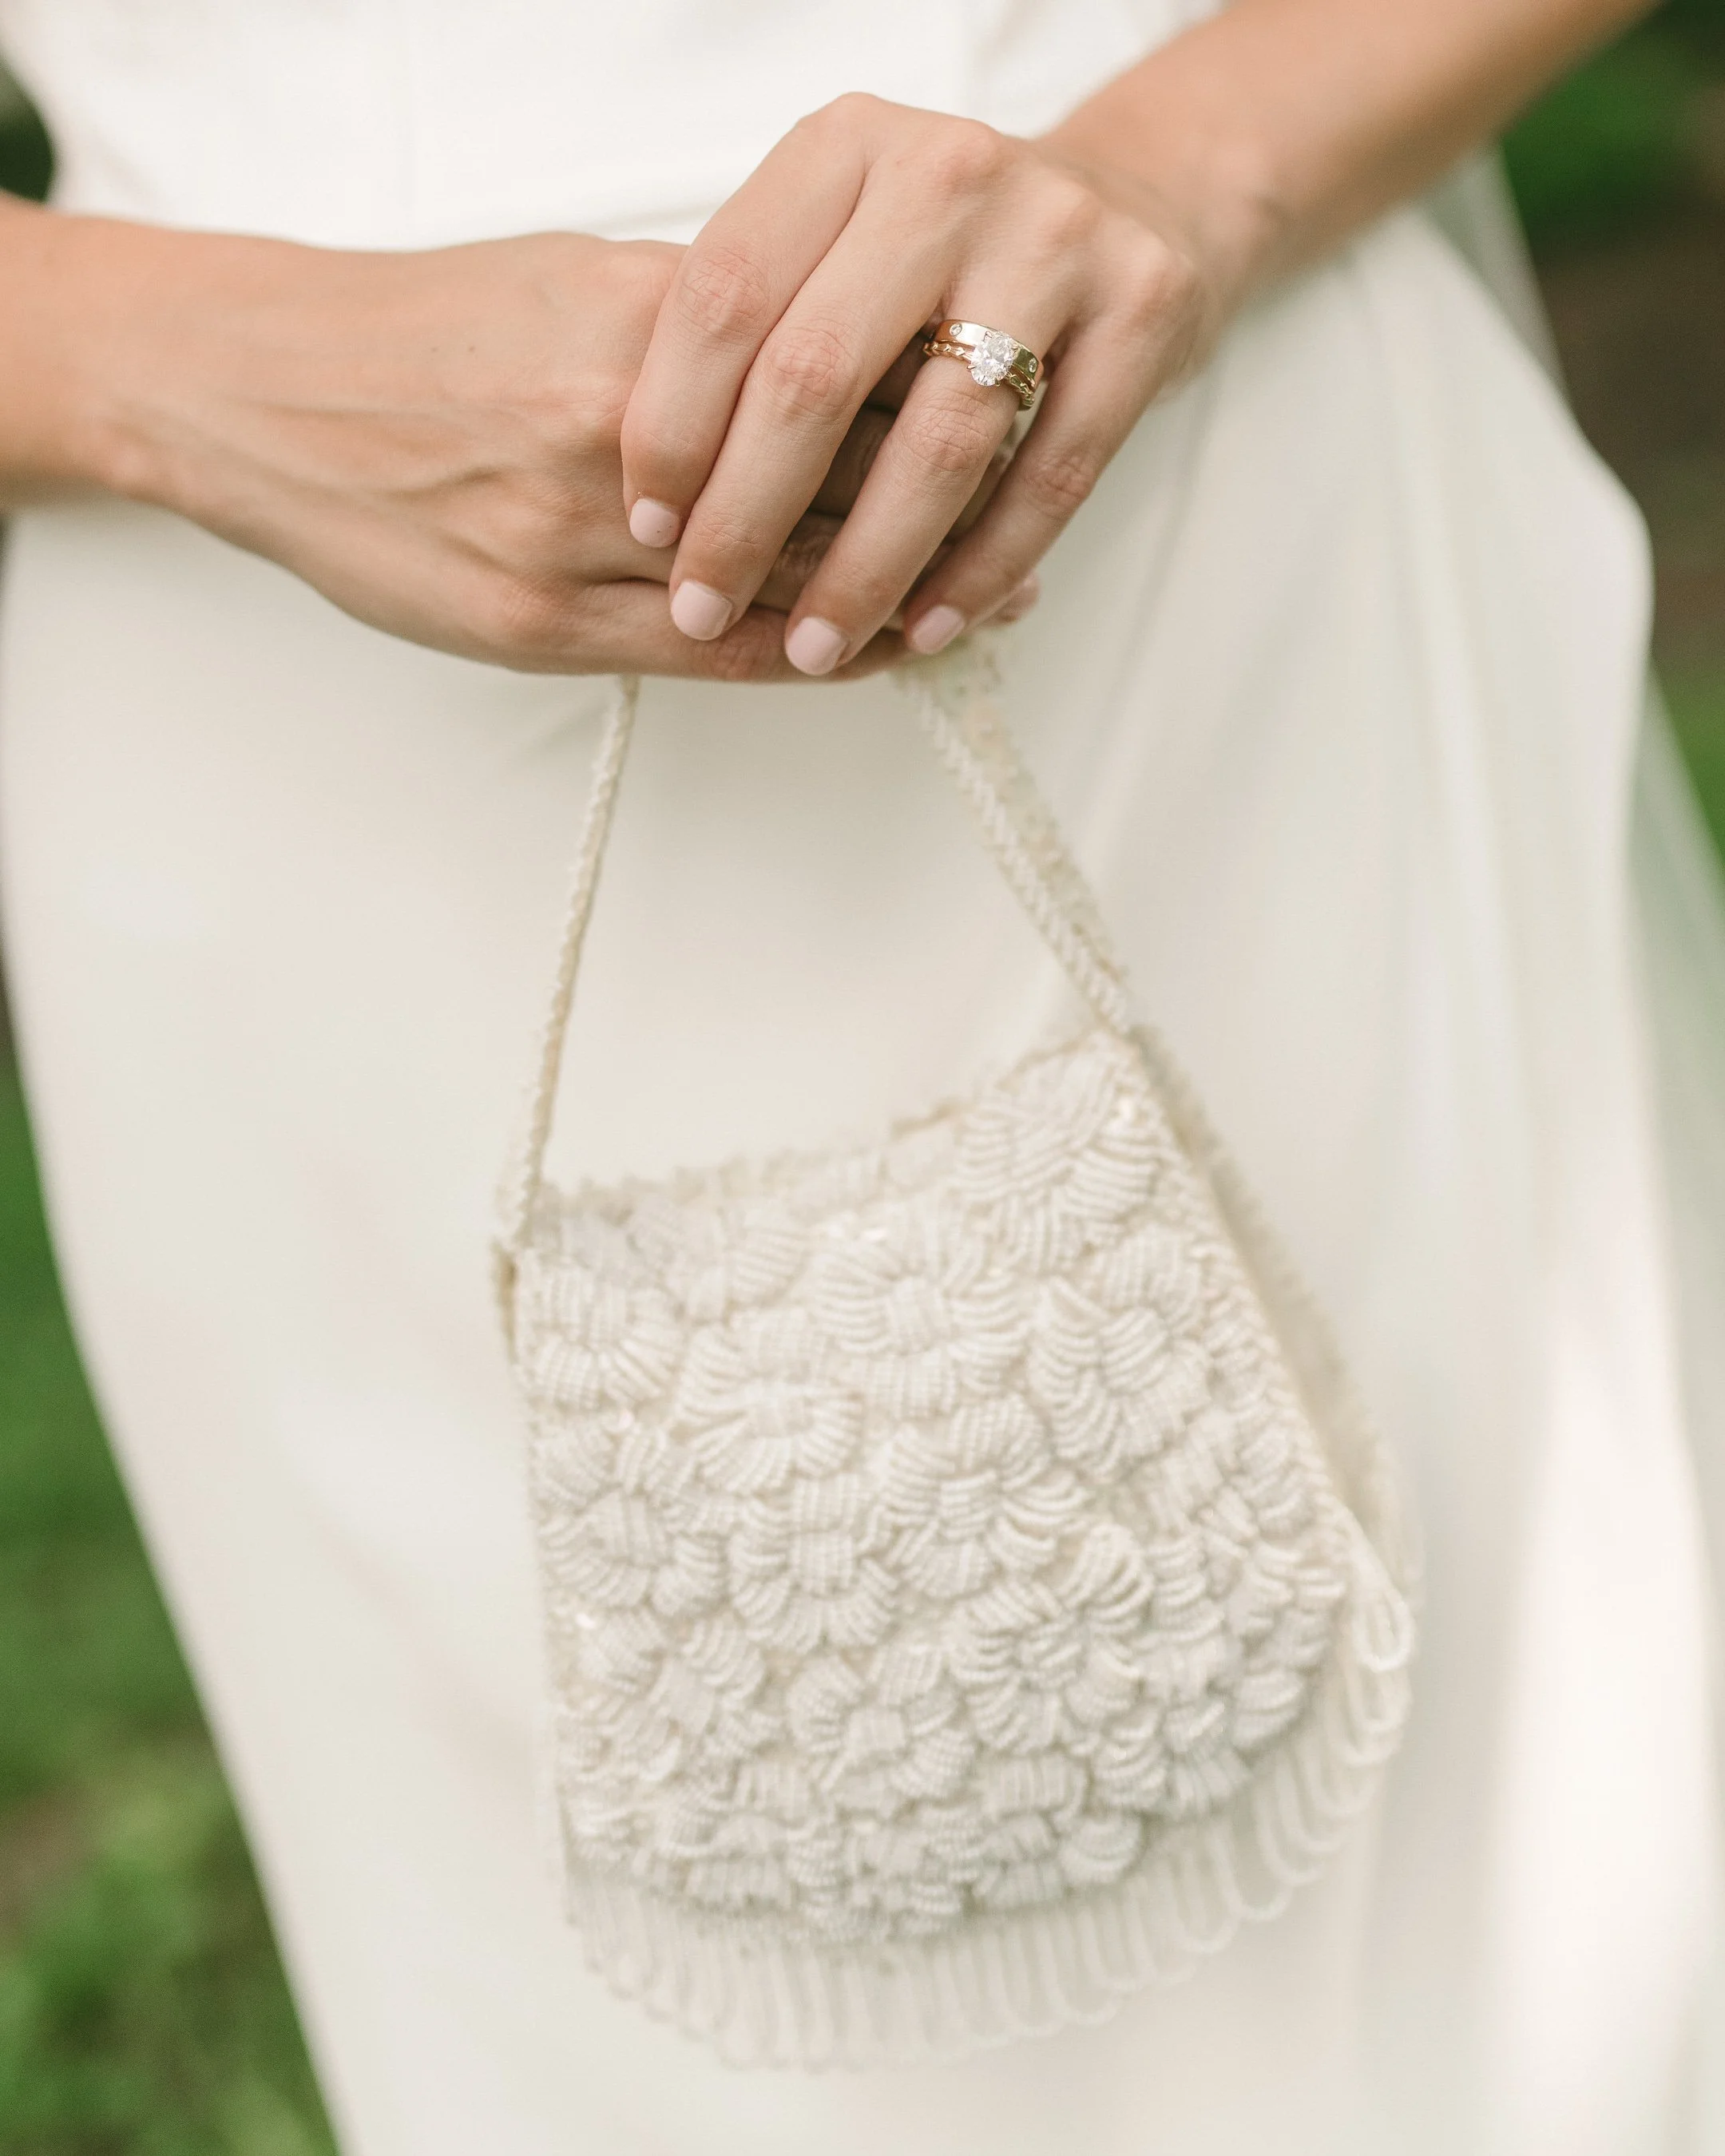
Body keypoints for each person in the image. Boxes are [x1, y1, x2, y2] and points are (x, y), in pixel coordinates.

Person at [1, 2, 1722, 2150]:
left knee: (1484, 1927)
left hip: (1196, 505)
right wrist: (170, 364)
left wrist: (1176, 168)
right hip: (280, 693)